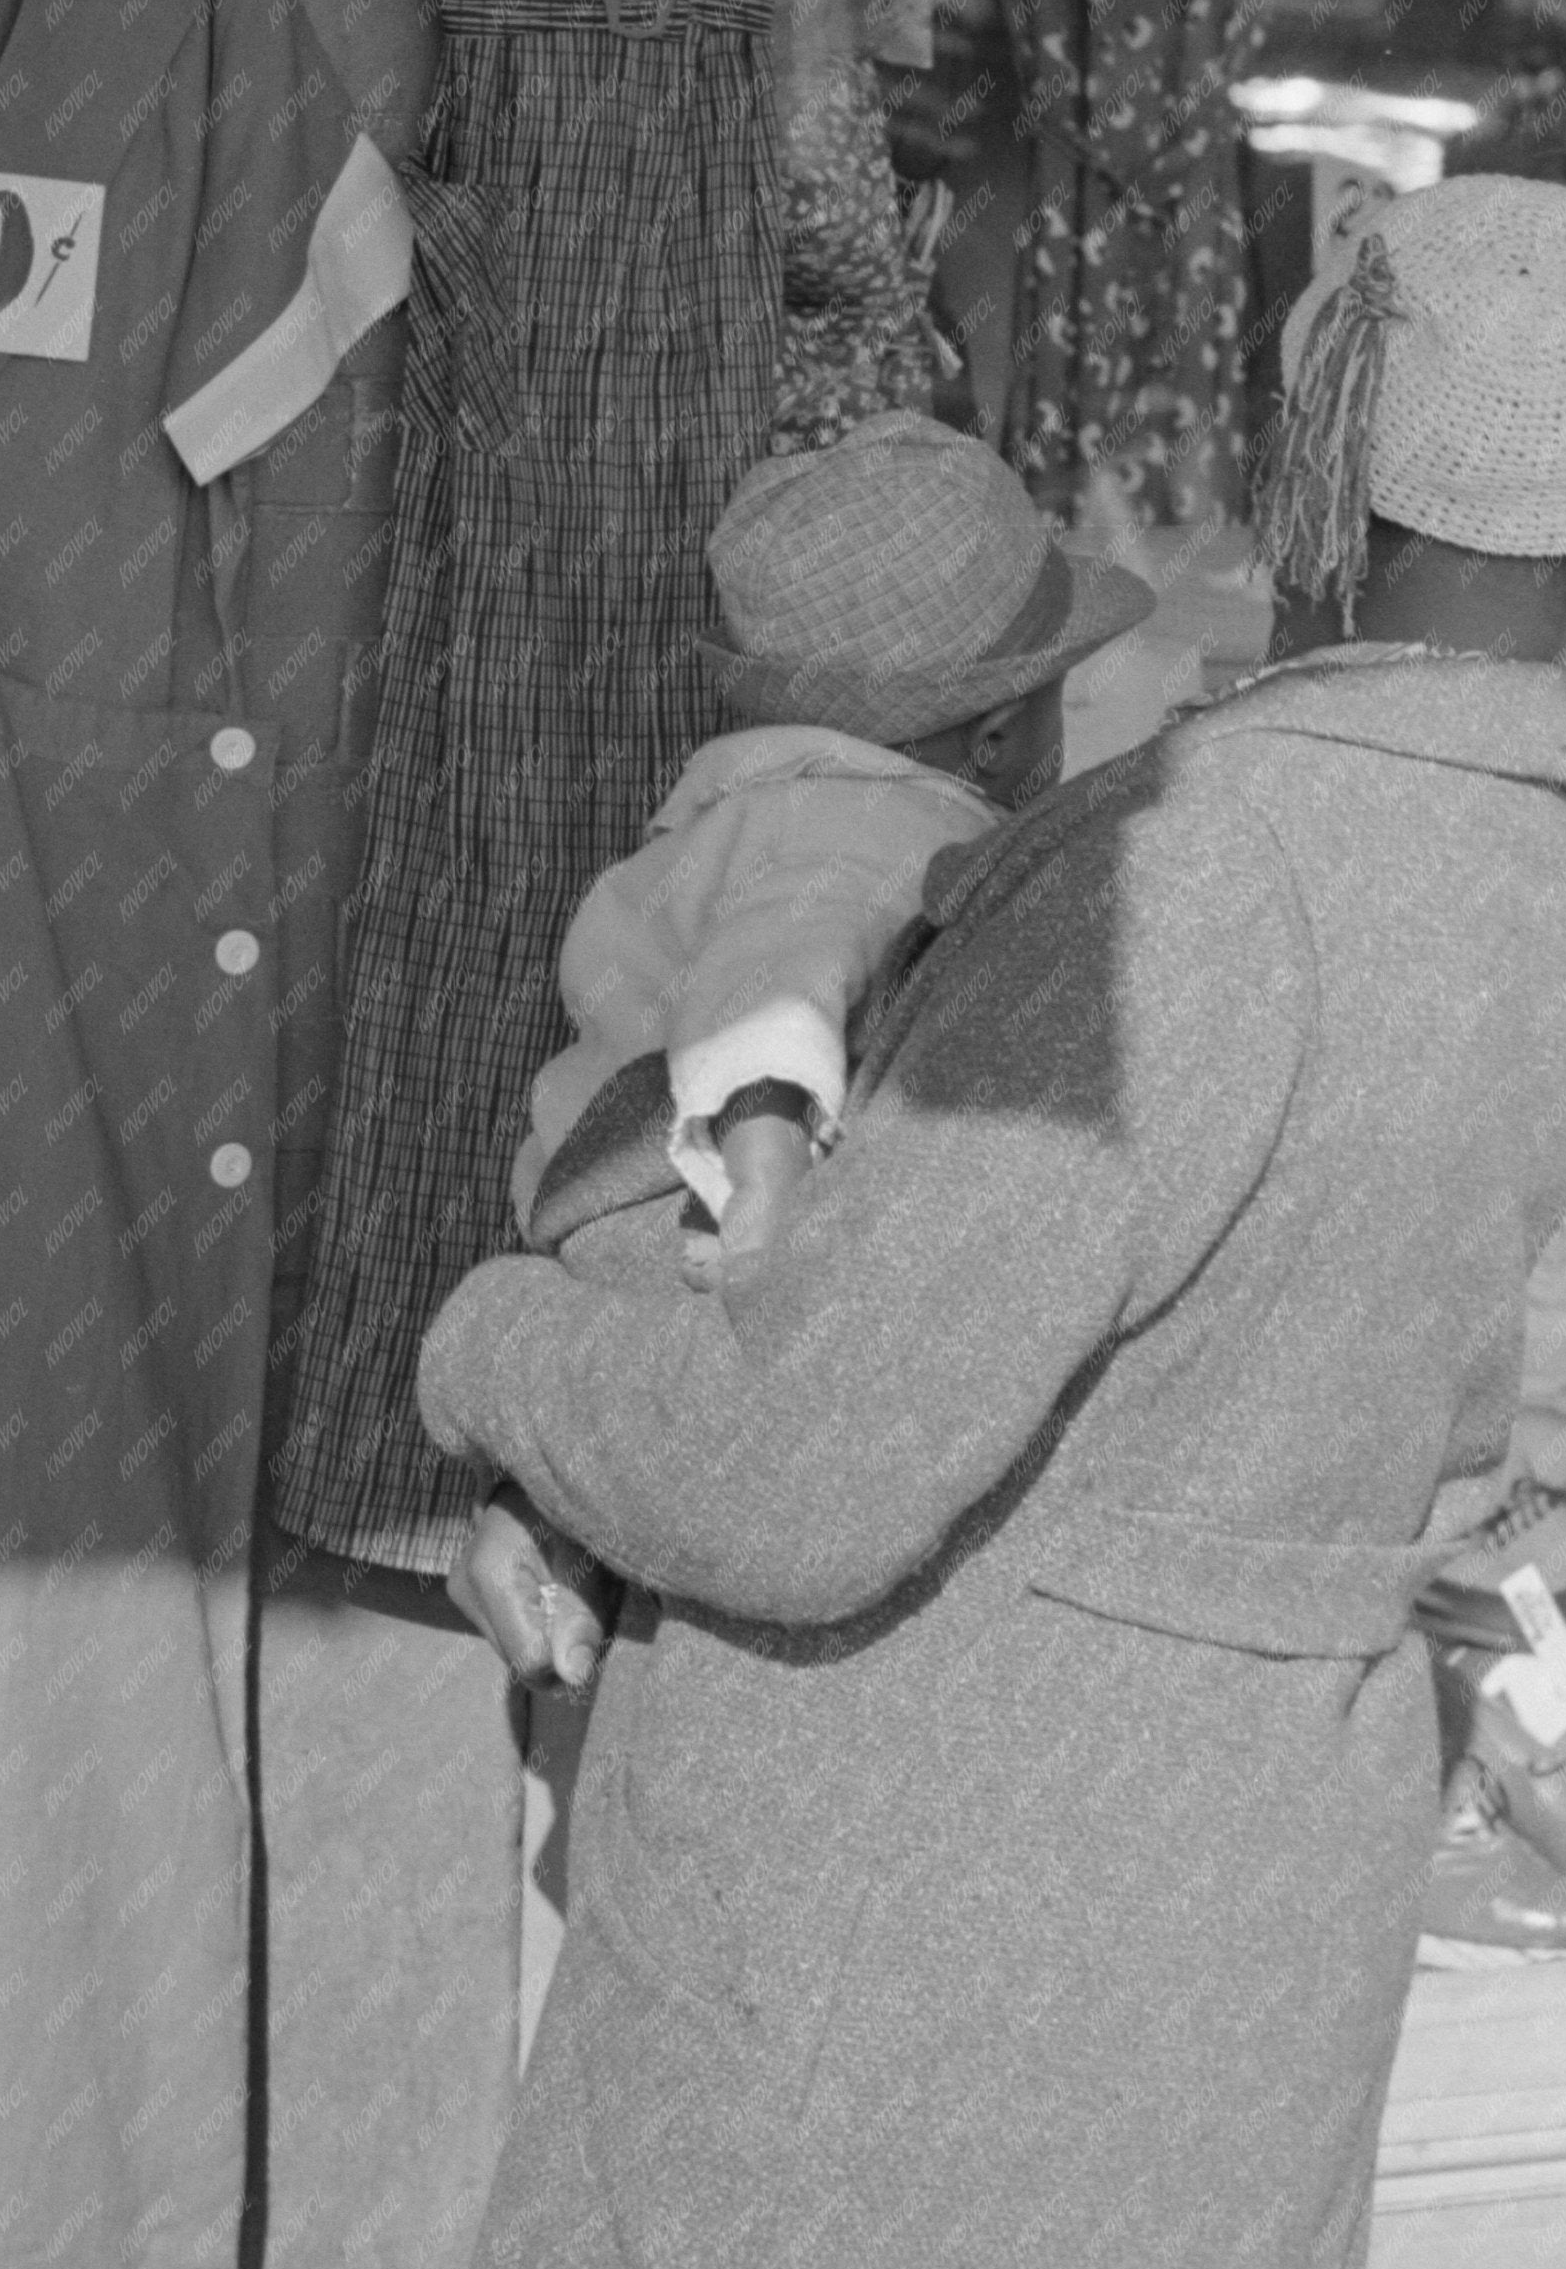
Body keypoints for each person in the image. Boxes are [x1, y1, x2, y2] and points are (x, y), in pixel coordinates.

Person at [404, 176, 1566, 2269]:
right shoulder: (1543, 881)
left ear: (1310, 472)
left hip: (936, 1913)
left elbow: (798, 1477)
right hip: (1233, 1891)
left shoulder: (1186, 874)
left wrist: (483, 1343)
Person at [463, 420, 1150, 1692]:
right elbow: (769, 993)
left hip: (583, 1191)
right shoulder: (873, 826)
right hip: (680, 1195)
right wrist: (769, 1189)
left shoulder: (750, 799)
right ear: (997, 733)